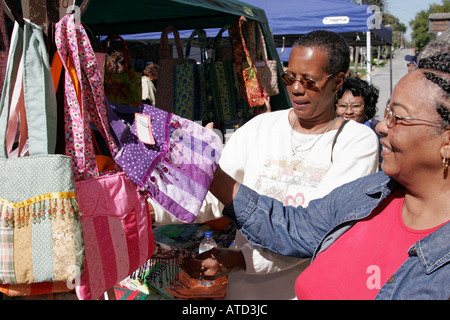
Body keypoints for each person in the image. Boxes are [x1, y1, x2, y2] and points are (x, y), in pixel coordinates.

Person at [184, 53, 450, 300]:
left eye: (398, 118)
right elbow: (291, 227)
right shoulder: (370, 192)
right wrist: (214, 176)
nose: (382, 125)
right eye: (387, 113)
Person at [171, 30, 379, 300]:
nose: (295, 89)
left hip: (309, 290)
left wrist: (241, 260)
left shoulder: (356, 142)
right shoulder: (261, 127)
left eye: (309, 81)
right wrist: (151, 211)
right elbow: (214, 196)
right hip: (246, 292)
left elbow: (315, 232)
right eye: (289, 77)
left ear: (338, 80)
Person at [336, 76, 382, 168]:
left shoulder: (378, 138)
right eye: (343, 106)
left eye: (356, 106)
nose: (349, 112)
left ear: (366, 110)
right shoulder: (329, 135)